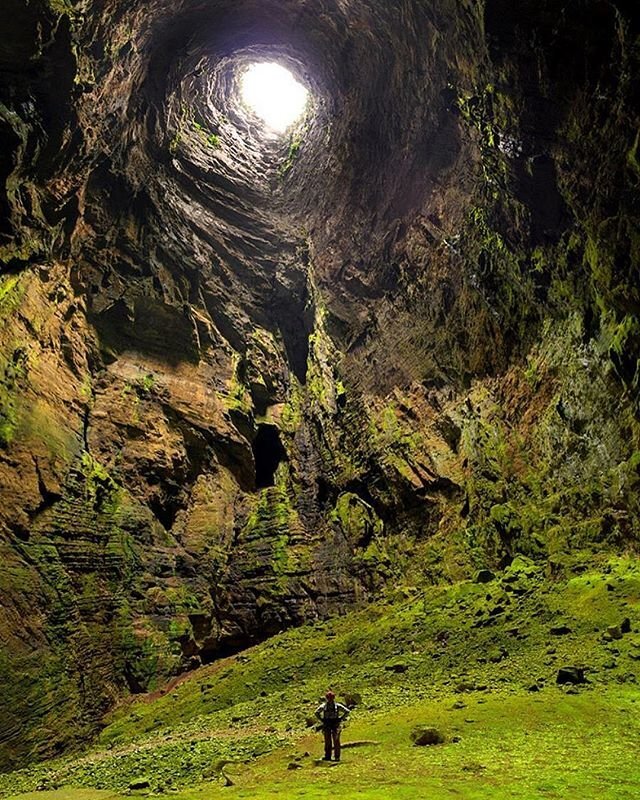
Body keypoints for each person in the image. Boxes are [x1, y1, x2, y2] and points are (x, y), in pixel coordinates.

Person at [314, 690, 350, 762]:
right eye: (329, 698)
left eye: (331, 698)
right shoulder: (323, 706)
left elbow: (347, 711)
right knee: (328, 741)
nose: (330, 700)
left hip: (335, 724)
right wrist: (322, 719)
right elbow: (316, 712)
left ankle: (337, 757)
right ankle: (328, 756)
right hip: (327, 724)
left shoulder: (337, 706)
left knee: (336, 740)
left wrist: (340, 719)